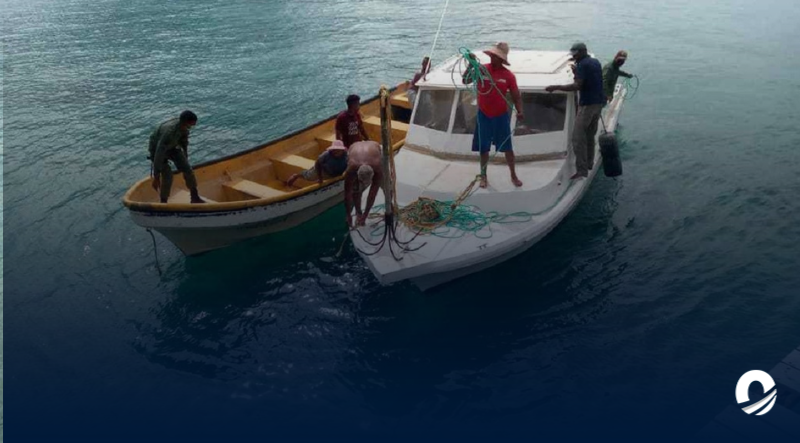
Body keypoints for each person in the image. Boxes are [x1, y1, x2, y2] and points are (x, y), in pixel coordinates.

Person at [462, 42, 525, 188]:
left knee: (507, 148)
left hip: (501, 116)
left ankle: (513, 175)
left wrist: (520, 110)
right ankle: (483, 176)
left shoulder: (508, 76)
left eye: (496, 56)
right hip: (483, 115)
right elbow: (465, 80)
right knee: (484, 148)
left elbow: (516, 96)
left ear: (502, 59)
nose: (492, 58)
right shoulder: (482, 69)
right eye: (492, 55)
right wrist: (471, 65)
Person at [545, 42, 605, 179]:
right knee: (590, 135)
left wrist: (556, 87)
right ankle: (590, 163)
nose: (574, 58)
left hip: (588, 105)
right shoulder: (595, 62)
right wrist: (576, 72)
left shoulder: (583, 65)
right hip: (598, 103)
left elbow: (578, 85)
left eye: (575, 55)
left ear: (582, 52)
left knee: (577, 138)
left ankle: (582, 171)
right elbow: (591, 79)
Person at [149, 110, 204, 203]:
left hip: (172, 146)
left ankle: (195, 197)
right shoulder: (169, 132)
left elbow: (184, 142)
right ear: (184, 122)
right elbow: (158, 154)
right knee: (167, 175)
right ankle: (163, 202)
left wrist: (185, 158)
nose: (190, 128)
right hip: (158, 149)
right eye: (190, 125)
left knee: (188, 170)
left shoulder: (184, 128)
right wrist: (156, 176)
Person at [344, 140, 383, 227]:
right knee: (355, 190)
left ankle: (390, 204)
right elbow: (347, 194)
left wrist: (365, 215)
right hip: (354, 148)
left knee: (385, 183)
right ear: (357, 173)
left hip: (375, 147)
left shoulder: (377, 166)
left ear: (373, 173)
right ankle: (358, 212)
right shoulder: (352, 167)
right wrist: (348, 214)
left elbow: (372, 194)